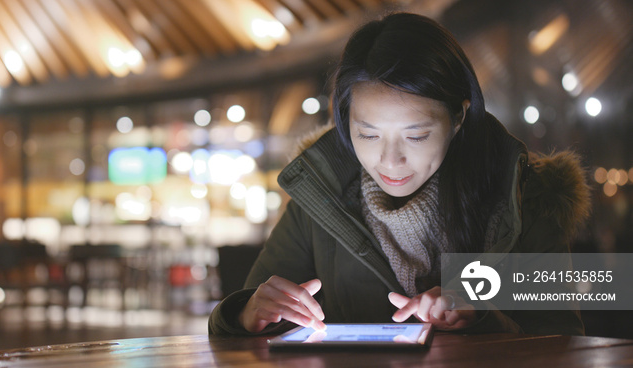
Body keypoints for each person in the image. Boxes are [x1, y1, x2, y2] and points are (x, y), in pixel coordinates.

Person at [209, 12, 590, 336]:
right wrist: (247, 313)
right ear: (345, 123)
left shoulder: (523, 195)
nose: (390, 160)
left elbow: (563, 337)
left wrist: (480, 315)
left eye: (417, 135)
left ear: (458, 117)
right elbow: (249, 314)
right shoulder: (321, 196)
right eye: (368, 134)